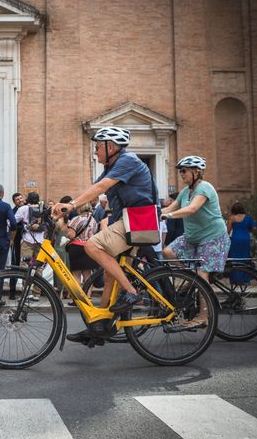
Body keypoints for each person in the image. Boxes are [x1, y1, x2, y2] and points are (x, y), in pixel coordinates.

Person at [53, 126, 157, 343]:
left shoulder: (128, 161)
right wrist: (64, 206)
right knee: (110, 272)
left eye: (98, 147)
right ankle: (99, 327)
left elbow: (101, 187)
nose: (95, 152)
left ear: (112, 147)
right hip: (128, 221)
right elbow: (94, 187)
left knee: (92, 246)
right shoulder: (113, 165)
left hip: (138, 220)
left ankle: (131, 292)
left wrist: (70, 205)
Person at [161, 156, 230, 327]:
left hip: (212, 237)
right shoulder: (185, 191)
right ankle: (191, 277)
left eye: (184, 170)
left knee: (202, 274)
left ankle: (203, 317)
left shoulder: (205, 188)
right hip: (192, 237)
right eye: (180, 171)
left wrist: (168, 216)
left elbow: (192, 209)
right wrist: (153, 212)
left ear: (196, 171)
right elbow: (171, 207)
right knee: (167, 252)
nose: (181, 174)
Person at [65, 202, 99, 294]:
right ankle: (88, 296)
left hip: (76, 248)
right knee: (87, 274)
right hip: (89, 247)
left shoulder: (76, 219)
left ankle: (78, 298)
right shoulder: (93, 220)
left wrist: (66, 234)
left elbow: (71, 235)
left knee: (76, 274)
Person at [227, 202, 256, 284]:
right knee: (244, 258)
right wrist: (248, 229)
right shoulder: (248, 218)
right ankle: (244, 279)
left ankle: (235, 279)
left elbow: (228, 231)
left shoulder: (232, 218)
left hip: (235, 240)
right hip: (245, 239)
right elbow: (254, 229)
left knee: (235, 259)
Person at [9, 192, 25, 299]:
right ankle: (12, 292)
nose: (20, 200)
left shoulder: (29, 209)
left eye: (20, 198)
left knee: (26, 267)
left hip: (28, 243)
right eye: (17, 199)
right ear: (14, 202)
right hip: (17, 242)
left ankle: (27, 292)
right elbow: (12, 225)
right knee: (15, 266)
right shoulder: (13, 211)